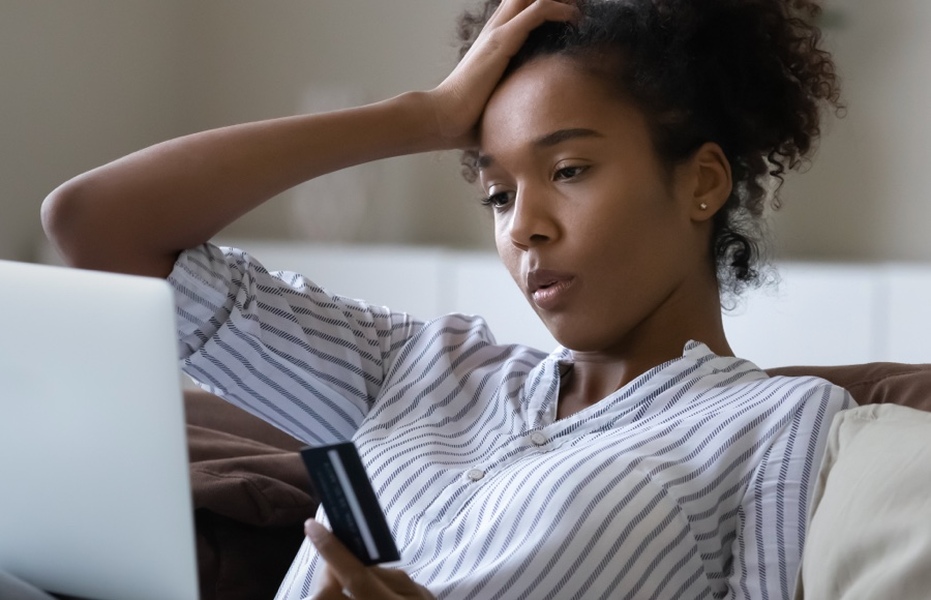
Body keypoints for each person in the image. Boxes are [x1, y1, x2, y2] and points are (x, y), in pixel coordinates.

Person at [41, 0, 851, 598]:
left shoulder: (775, 423)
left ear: (702, 181)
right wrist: (424, 115)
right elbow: (96, 226)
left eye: (568, 171)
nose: (523, 227)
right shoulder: (420, 368)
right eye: (497, 195)